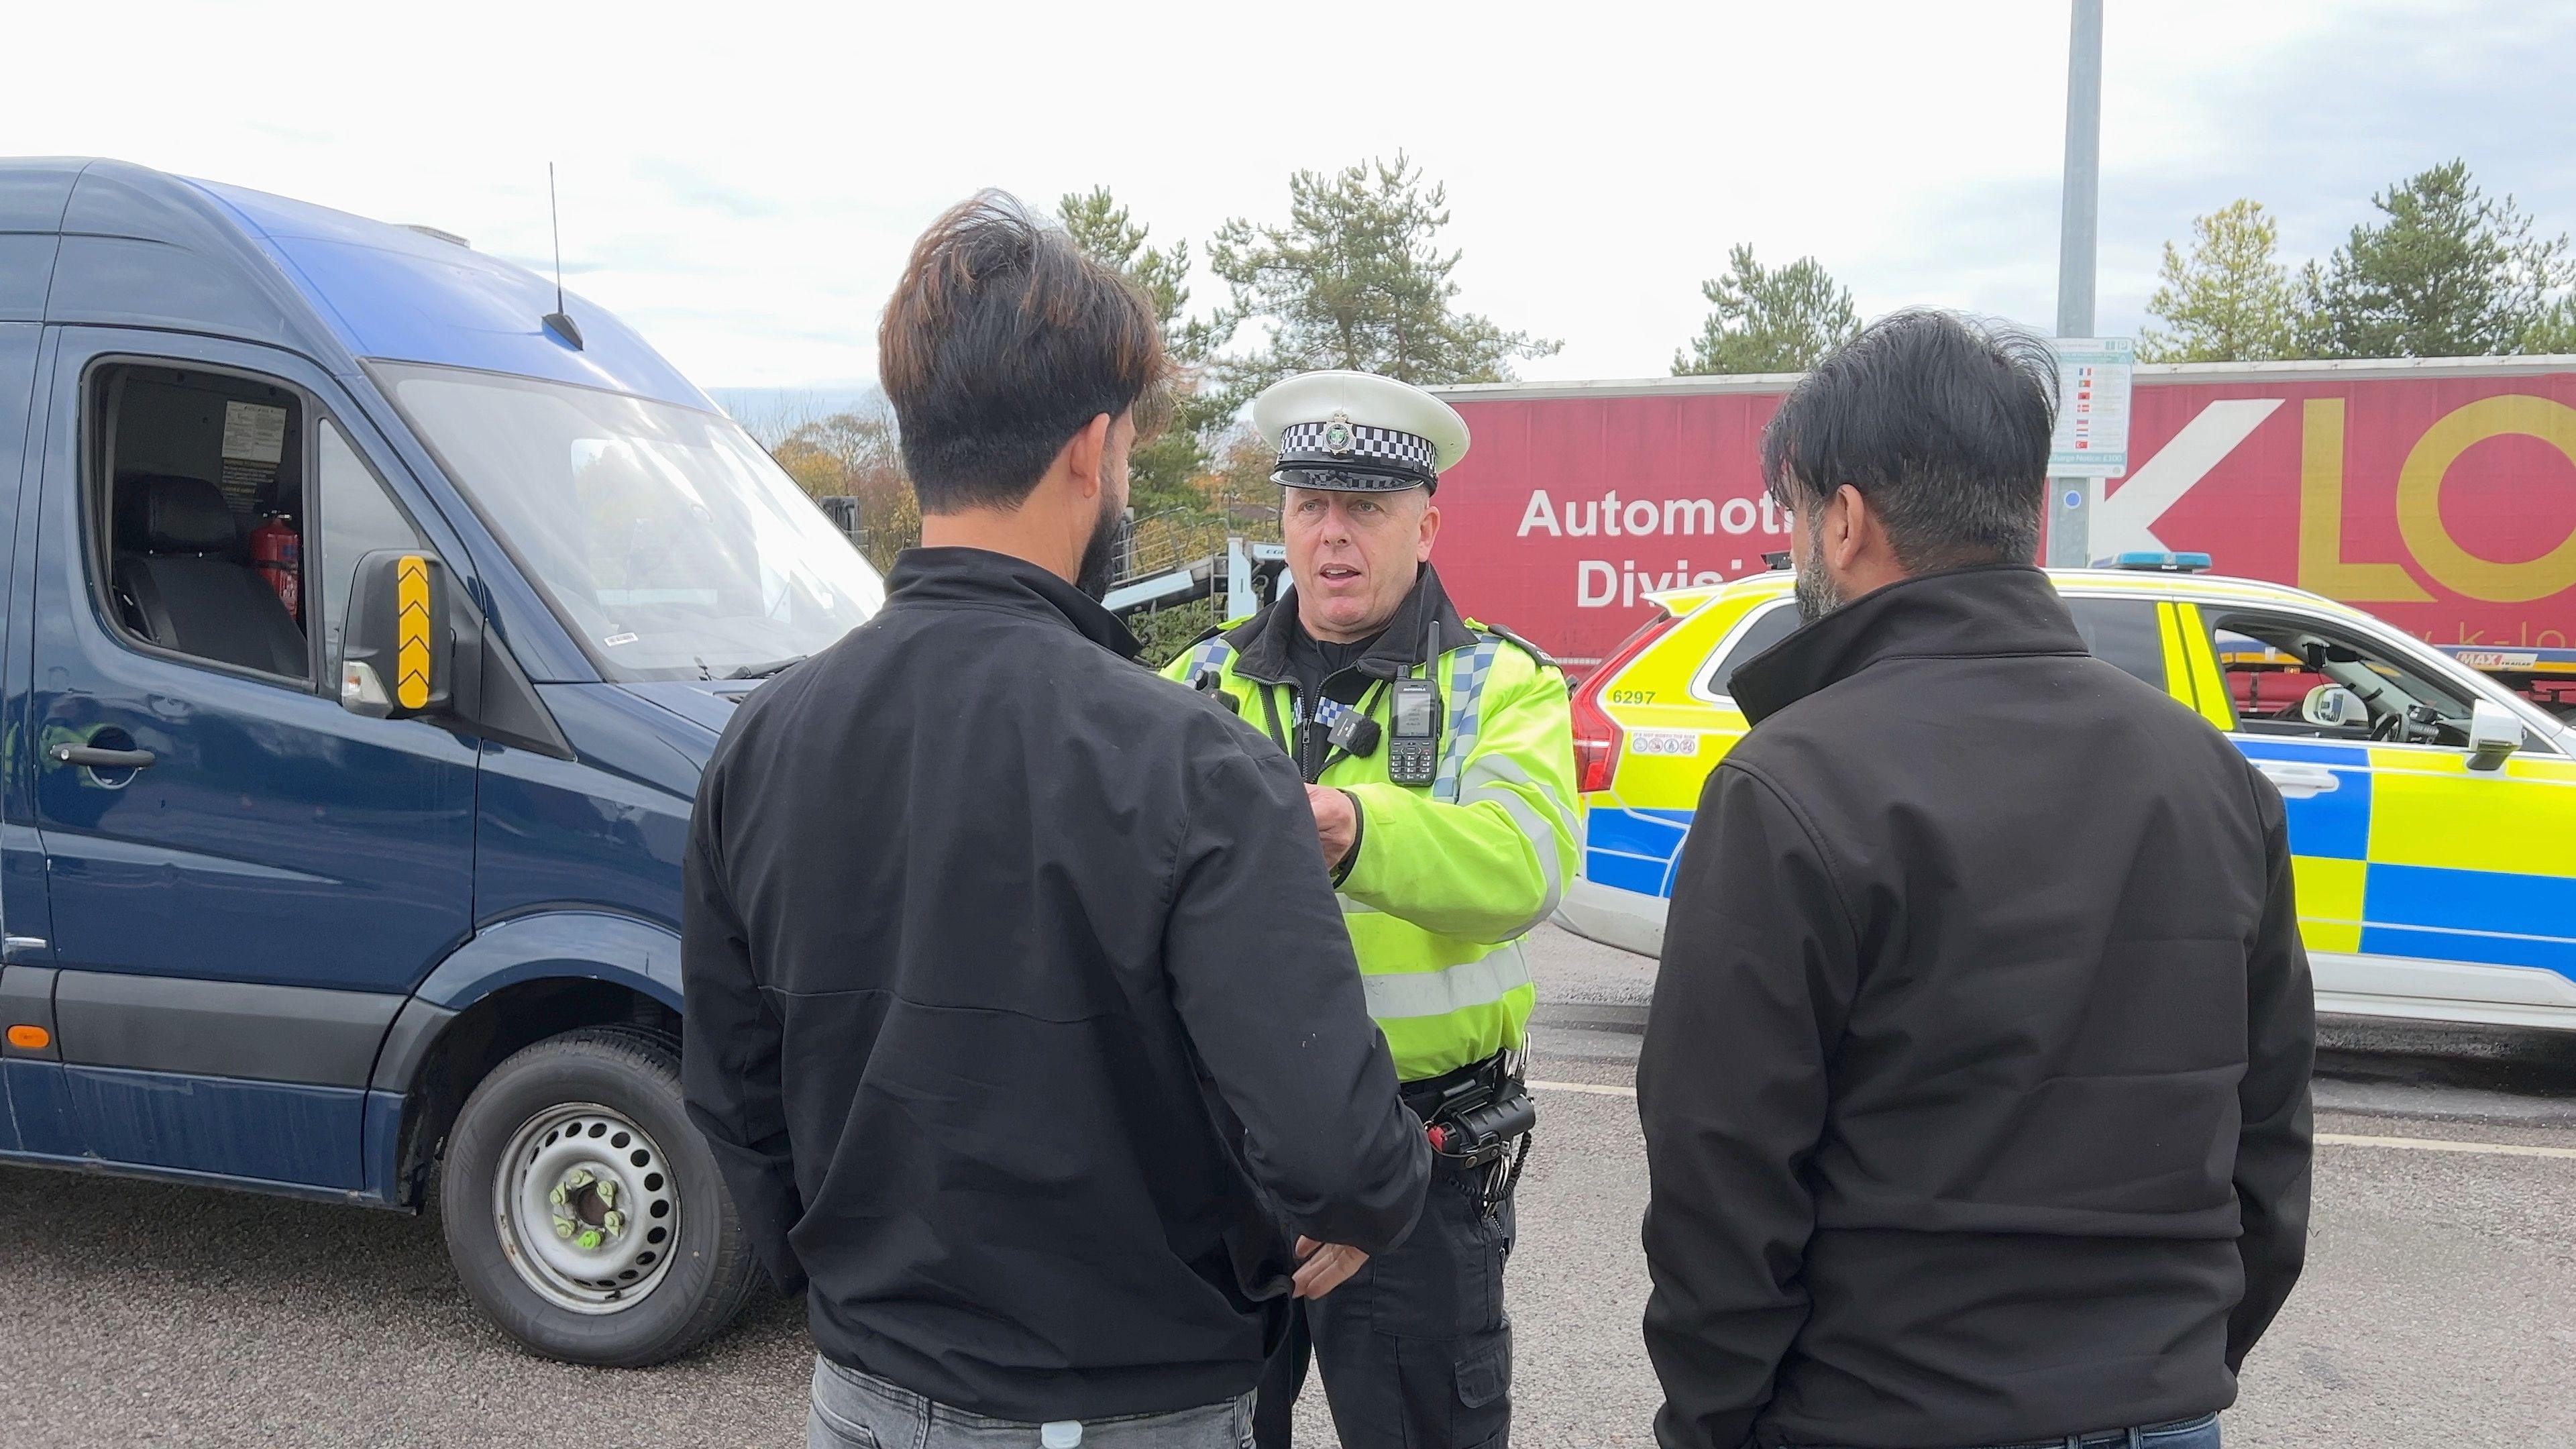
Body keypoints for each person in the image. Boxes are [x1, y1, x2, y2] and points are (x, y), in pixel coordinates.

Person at [682, 195, 1429, 1449]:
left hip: (860, 1390)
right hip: (1128, 1403)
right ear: (1093, 451)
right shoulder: (1195, 764)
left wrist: (851, 1281)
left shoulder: (762, 740)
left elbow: (736, 1098)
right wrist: (1384, 1192)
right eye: (1131, 451)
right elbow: (1339, 1151)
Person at [1636, 310, 2314, 1449]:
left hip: (1885, 1411)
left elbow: (1722, 1182)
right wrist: (2171, 1361)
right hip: (2161, 1410)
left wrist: (1710, 1426)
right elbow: (2269, 1142)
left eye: (1795, 516)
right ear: (2030, 508)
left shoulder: (1792, 785)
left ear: (1842, 520)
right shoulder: (2211, 774)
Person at [1163, 370, 1580, 1449]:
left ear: (1427, 525)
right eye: (1312, 506)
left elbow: (1524, 867)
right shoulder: (1197, 688)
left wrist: (1354, 828)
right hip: (1228, 1157)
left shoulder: (1503, 684)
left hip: (1423, 1164)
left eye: (1366, 508)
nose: (1332, 536)